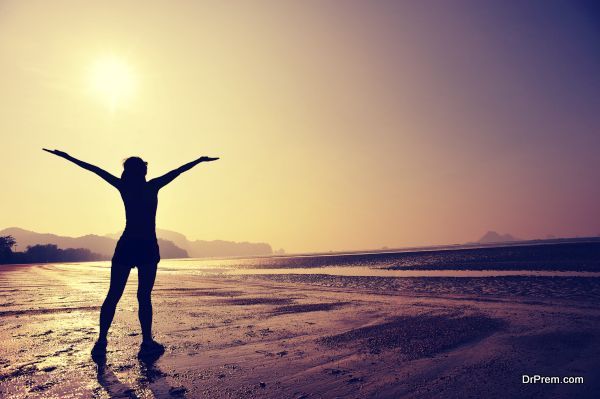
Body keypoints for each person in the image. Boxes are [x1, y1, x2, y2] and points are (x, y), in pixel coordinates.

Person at [43, 148, 219, 358]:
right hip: (146, 246)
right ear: (143, 171)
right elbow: (178, 171)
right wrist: (199, 160)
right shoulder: (153, 186)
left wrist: (67, 156)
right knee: (143, 296)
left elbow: (93, 169)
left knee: (113, 295)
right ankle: (146, 342)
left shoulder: (124, 186)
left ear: (127, 171)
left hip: (127, 245)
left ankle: (101, 341)